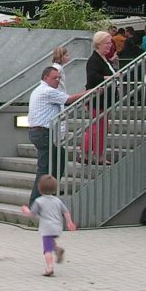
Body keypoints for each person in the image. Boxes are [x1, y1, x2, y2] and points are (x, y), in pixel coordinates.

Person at [27, 66, 89, 206]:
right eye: (54, 78)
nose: (57, 81)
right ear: (45, 78)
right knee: (45, 167)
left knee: (58, 158)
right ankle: (36, 202)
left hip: (41, 132)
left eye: (59, 78)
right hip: (43, 132)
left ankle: (49, 191)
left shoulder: (40, 90)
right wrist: (91, 91)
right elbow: (69, 99)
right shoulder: (47, 91)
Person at [21, 175, 76, 277]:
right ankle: (58, 249)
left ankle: (49, 267)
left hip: (47, 228)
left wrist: (25, 210)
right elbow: (66, 212)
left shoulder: (39, 201)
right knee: (50, 241)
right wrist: (69, 222)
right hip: (57, 227)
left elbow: (32, 213)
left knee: (47, 249)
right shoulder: (57, 200)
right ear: (55, 189)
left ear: (40, 188)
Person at [83, 31, 118, 165]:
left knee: (97, 127)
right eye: (107, 43)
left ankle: (86, 153)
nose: (110, 46)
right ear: (99, 44)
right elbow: (92, 77)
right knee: (98, 128)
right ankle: (97, 155)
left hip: (104, 100)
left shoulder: (104, 59)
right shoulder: (94, 60)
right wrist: (107, 78)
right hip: (97, 100)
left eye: (110, 43)